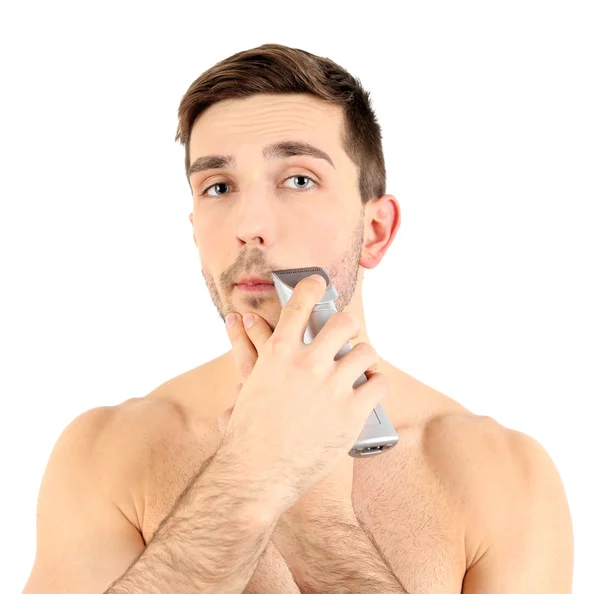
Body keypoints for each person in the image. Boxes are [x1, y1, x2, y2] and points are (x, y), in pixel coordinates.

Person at [23, 43, 574, 594]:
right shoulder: (106, 453)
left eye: (299, 179)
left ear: (376, 230)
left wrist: (319, 525)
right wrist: (248, 479)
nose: (249, 223)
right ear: (196, 232)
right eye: (218, 186)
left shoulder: (503, 475)